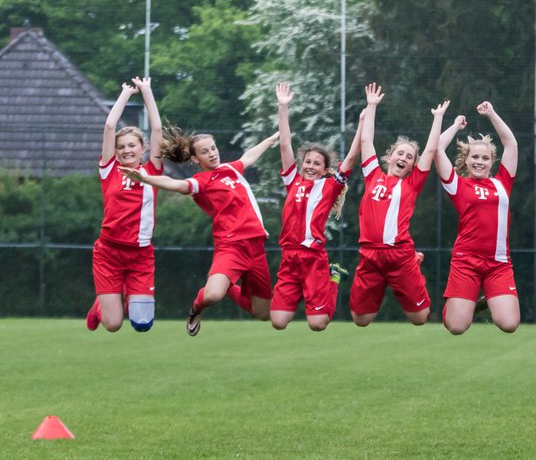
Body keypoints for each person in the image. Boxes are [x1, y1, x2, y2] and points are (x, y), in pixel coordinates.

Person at [122, 129, 280, 336]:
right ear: (196, 158)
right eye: (205, 151)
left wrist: (270, 139)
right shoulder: (201, 181)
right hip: (231, 246)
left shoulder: (230, 170)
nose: (212, 153)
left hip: (256, 247)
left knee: (264, 314)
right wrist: (146, 179)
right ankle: (198, 306)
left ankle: (228, 286)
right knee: (213, 295)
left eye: (213, 148)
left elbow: (248, 157)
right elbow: (176, 184)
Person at [349, 84, 452, 326]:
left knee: (420, 318)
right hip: (370, 255)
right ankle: (380, 283)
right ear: (389, 156)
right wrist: (371, 106)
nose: (404, 158)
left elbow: (430, 149)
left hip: (399, 255)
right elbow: (366, 139)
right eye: (400, 153)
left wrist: (438, 119)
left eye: (409, 157)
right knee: (360, 319)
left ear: (413, 166)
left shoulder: (412, 184)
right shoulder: (372, 174)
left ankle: (412, 267)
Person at [268, 82, 361, 331]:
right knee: (278, 322)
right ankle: (300, 293)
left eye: (316, 163)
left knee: (318, 324)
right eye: (307, 161)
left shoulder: (329, 188)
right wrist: (283, 107)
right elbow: (285, 144)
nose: (310, 166)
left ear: (324, 170)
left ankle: (334, 276)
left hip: (313, 259)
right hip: (289, 258)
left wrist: (363, 122)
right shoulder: (292, 181)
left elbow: (351, 158)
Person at [435, 101, 520, 335]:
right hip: (466, 261)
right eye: (475, 157)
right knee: (456, 327)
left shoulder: (502, 182)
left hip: (499, 263)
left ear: (492, 162)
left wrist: (492, 113)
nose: (479, 162)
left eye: (484, 158)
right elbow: (437, 149)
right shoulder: (458, 185)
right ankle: (459, 308)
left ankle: (480, 301)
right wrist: (454, 126)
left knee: (510, 324)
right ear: (467, 159)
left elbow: (511, 144)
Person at [87, 77, 164, 333]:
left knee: (142, 325)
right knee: (113, 325)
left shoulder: (152, 170)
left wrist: (147, 91)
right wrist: (125, 94)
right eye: (121, 147)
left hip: (140, 256)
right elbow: (110, 126)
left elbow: (157, 129)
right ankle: (101, 307)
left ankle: (124, 296)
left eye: (132, 145)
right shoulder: (110, 171)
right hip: (109, 253)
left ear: (143, 148)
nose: (126, 150)